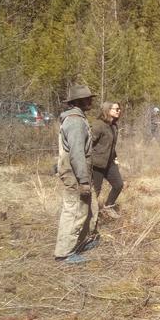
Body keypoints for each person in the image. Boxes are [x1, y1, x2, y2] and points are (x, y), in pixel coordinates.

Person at [54, 85, 100, 263]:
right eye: (87, 98)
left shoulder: (76, 119)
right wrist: (83, 181)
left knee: (87, 208)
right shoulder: (75, 121)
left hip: (76, 172)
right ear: (78, 102)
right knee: (75, 210)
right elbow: (77, 154)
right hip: (75, 174)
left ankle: (79, 242)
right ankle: (64, 253)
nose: (91, 101)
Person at [91, 101, 124, 218]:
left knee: (118, 184)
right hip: (97, 164)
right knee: (95, 191)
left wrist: (115, 157)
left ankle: (108, 207)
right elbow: (88, 144)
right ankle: (90, 215)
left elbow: (111, 145)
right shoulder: (98, 125)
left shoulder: (114, 126)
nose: (118, 110)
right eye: (116, 109)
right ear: (107, 110)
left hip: (109, 163)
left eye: (119, 109)